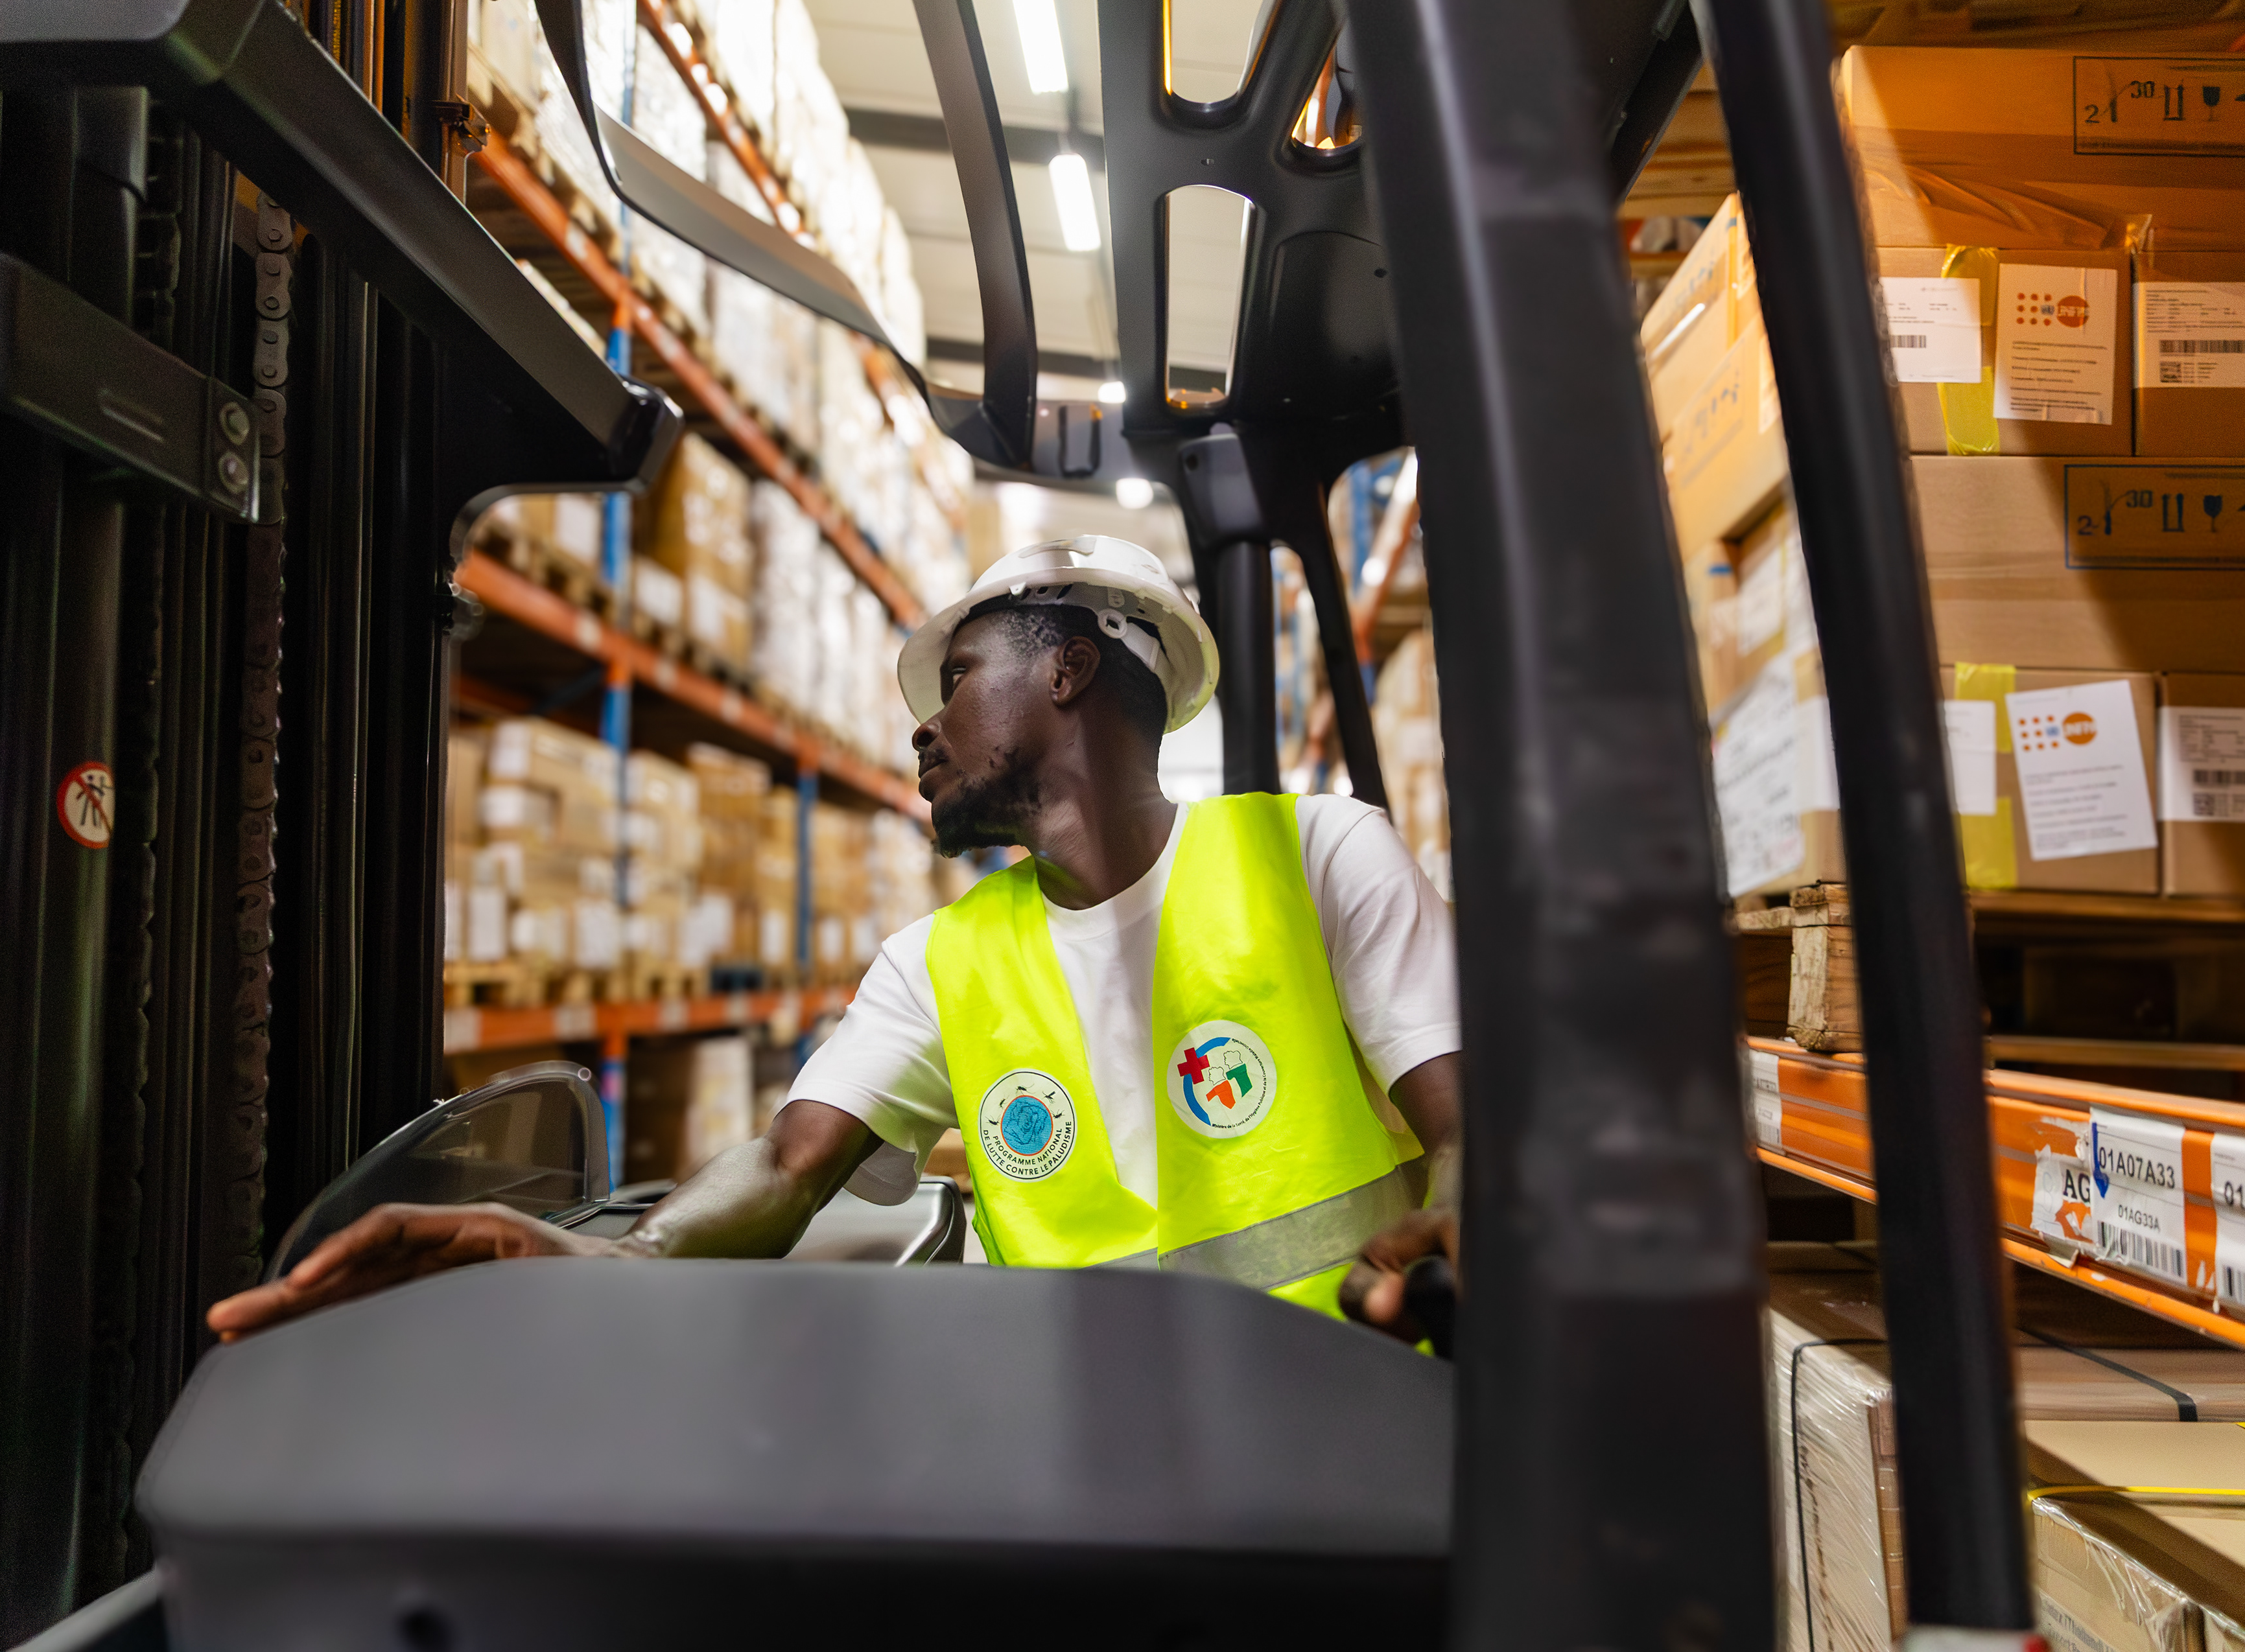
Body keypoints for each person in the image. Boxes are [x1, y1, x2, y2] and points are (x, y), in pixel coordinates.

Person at [209, 535, 1461, 1343]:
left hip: (1340, 1411)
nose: (921, 731)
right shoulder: (942, 961)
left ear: (1070, 668)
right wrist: (593, 1258)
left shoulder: (1312, 858)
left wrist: (1467, 1227)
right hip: (1075, 1447)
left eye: (958, 680)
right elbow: (787, 1167)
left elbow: (1477, 1134)